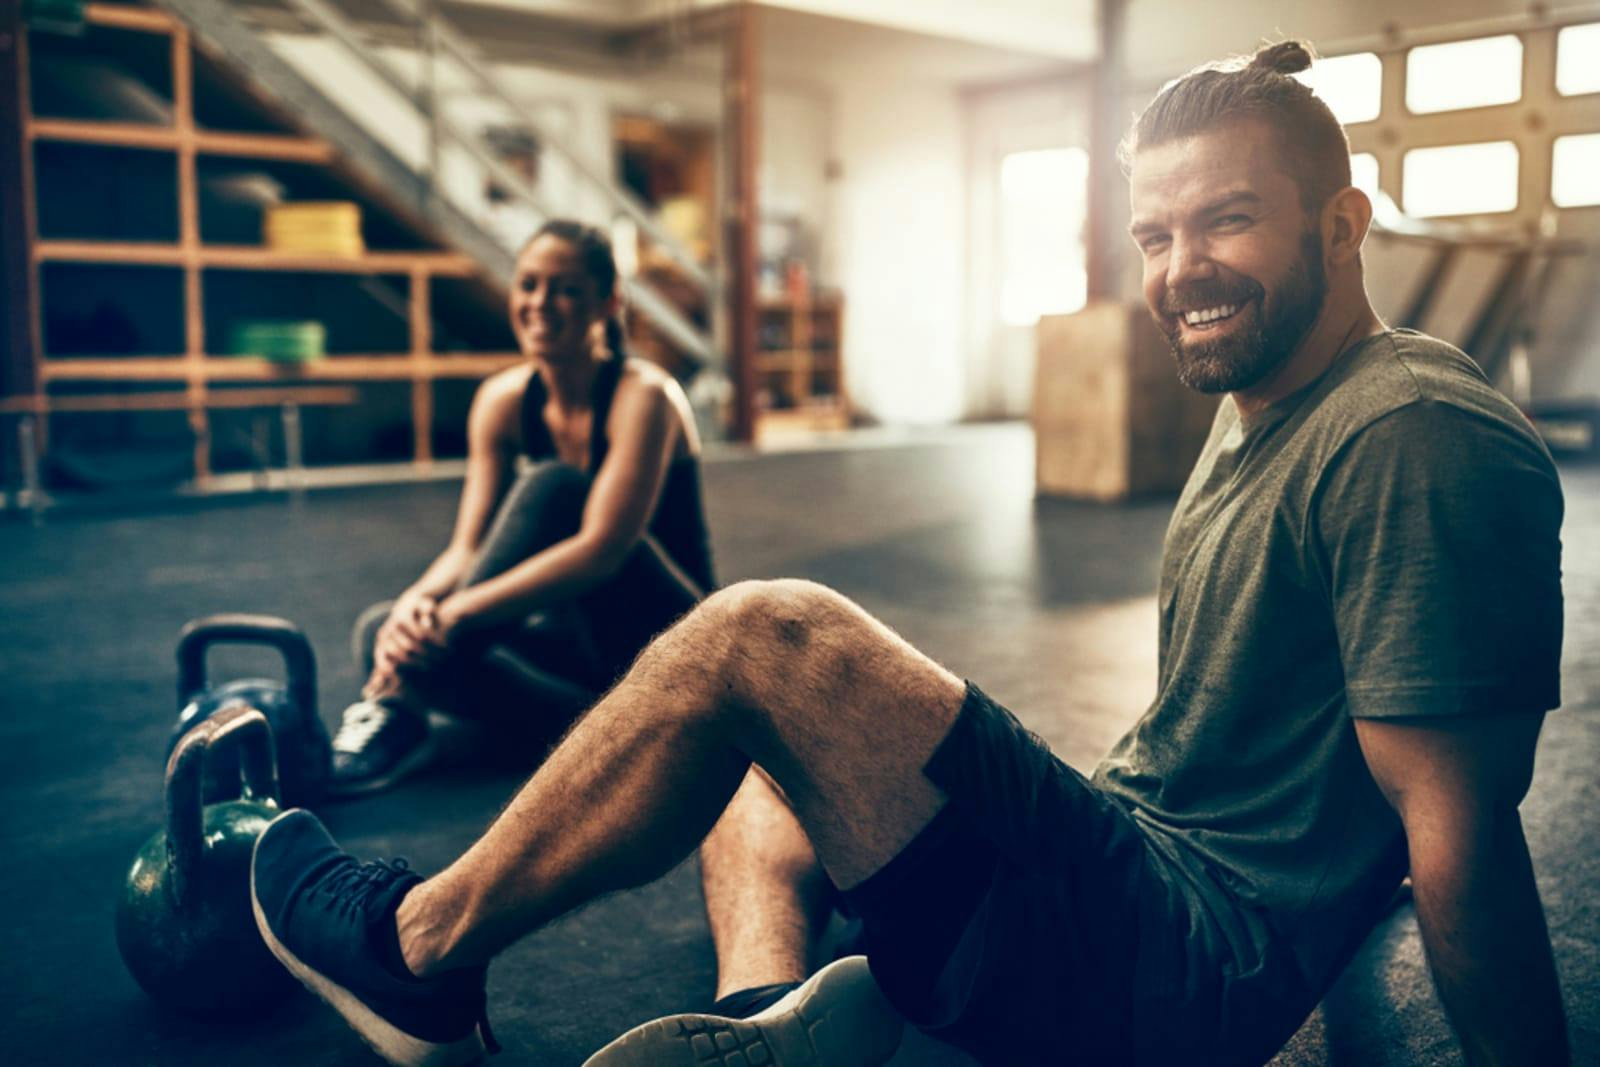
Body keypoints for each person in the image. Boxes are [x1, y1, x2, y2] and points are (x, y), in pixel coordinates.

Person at [251, 40, 1570, 1066]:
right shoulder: (1270, 404)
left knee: (769, 637)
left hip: (1175, 962)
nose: (1178, 271)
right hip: (1131, 856)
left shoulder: (1411, 431)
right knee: (757, 747)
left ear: (1341, 226)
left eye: (1225, 221)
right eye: (1154, 236)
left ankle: (416, 945)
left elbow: (1461, 827)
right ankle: (765, 1016)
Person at [330, 219, 716, 796]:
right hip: (586, 668)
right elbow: (467, 547)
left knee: (556, 489)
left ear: (608, 302)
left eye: (565, 289)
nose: (542, 304)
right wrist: (419, 604)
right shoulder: (503, 401)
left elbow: (600, 551)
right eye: (529, 285)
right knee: (381, 630)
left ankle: (397, 703)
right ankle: (594, 732)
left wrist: (454, 615)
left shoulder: (646, 396)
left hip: (681, 649)